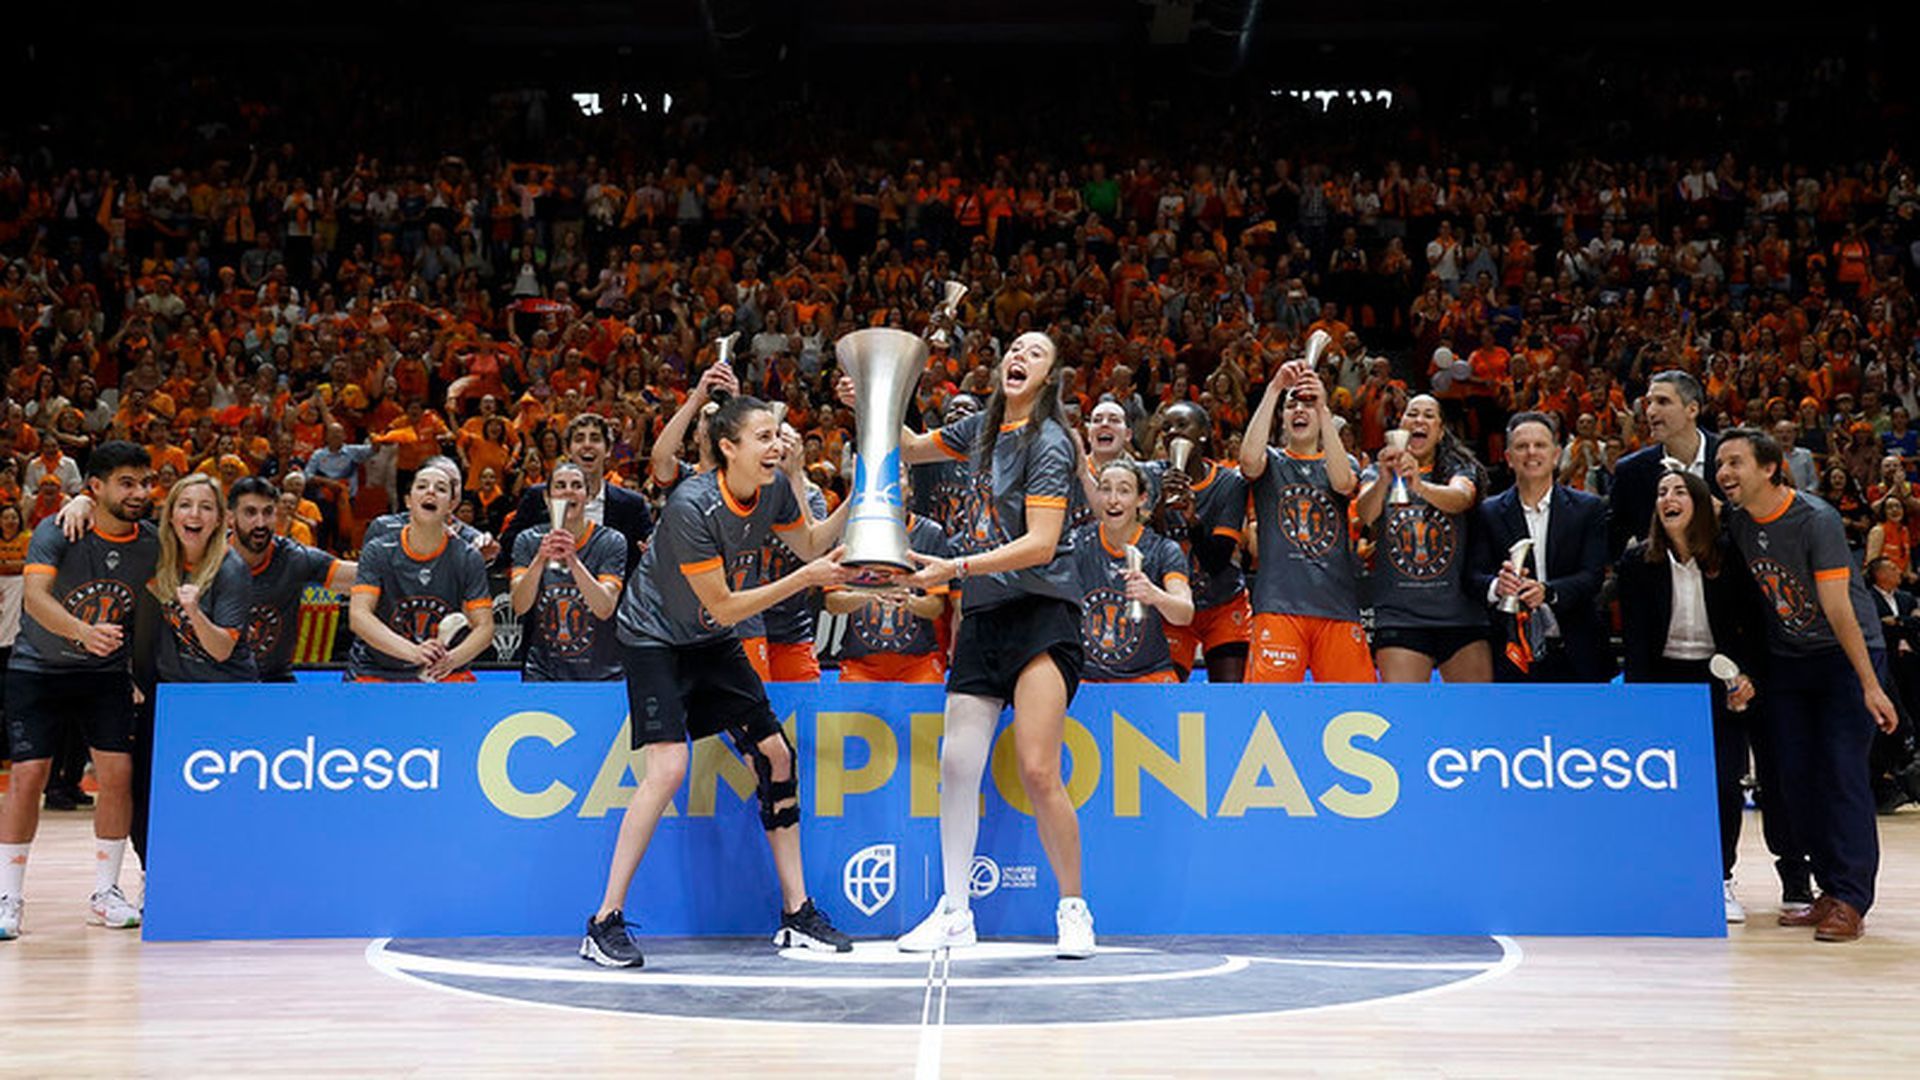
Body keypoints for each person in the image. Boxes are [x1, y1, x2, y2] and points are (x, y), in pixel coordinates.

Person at [585, 394, 855, 969]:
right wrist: (807, 578)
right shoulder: (691, 505)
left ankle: (796, 913)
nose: (777, 445)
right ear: (727, 448)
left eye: (779, 434)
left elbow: (809, 543)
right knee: (669, 769)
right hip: (654, 634)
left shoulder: (777, 487)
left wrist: (862, 497)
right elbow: (729, 605)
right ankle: (603, 921)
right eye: (763, 437)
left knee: (777, 756)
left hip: (707, 635)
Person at [887, 329, 1097, 958]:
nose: (1018, 357)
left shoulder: (1051, 442)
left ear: (1050, 376)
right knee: (956, 764)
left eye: (1034, 353)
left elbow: (1039, 542)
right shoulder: (980, 428)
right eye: (1013, 349)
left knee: (1037, 767)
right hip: (982, 611)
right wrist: (877, 395)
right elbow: (909, 446)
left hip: (1039, 610)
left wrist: (954, 569)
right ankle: (955, 911)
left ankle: (1074, 908)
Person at [1716, 427, 1899, 942]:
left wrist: (1871, 685)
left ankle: (1851, 899)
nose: (1725, 473)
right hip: (1788, 662)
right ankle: (1827, 889)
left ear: (1770, 467)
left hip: (1846, 657)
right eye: (1721, 464)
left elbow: (1839, 608)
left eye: (1736, 463)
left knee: (1842, 775)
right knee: (1795, 779)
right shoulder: (1738, 520)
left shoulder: (1815, 519)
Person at [1617, 467, 1796, 924]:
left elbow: (1754, 629)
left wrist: (1746, 678)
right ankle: (1663, 878)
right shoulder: (1637, 564)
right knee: (1663, 785)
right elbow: (1636, 642)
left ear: (1699, 504)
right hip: (1662, 680)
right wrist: (1640, 705)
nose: (1668, 498)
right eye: (1661, 492)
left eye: (1679, 491)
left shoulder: (1730, 558)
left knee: (1721, 782)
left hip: (1718, 678)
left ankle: (1720, 879)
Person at [0, 441, 159, 940]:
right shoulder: (59, 529)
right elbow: (35, 598)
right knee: (28, 775)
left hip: (104, 674)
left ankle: (106, 892)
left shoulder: (151, 542)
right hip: (38, 668)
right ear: (96, 487)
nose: (138, 492)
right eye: (126, 483)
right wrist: (83, 632)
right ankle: (9, 896)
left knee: (118, 772)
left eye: (144, 482)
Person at [130, 474, 258, 866]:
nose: (194, 514)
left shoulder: (230, 567)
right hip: (174, 694)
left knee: (222, 797)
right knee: (146, 790)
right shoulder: (158, 551)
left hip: (225, 694)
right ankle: (155, 874)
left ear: (221, 520)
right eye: (185, 505)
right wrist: (80, 503)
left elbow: (221, 649)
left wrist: (193, 612)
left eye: (206, 507)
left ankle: (225, 871)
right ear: (170, 515)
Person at [1240, 360, 1373, 682]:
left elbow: (1344, 483)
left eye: (1308, 405)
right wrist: (1274, 389)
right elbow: (1247, 462)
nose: (1300, 410)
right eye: (1292, 405)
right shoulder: (1270, 461)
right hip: (1278, 605)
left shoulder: (1344, 461)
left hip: (1337, 606)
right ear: (1282, 417)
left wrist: (1324, 407)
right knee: (1268, 709)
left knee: (1353, 707)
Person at [1469, 413, 1612, 682]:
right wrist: (1496, 587)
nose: (1531, 452)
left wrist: (1548, 592)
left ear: (1556, 454)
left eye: (1540, 445)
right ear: (1508, 458)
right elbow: (1473, 576)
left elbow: (1592, 576)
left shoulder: (1588, 509)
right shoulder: (1487, 512)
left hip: (1578, 652)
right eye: (1522, 446)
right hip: (1510, 654)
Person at [1357, 394, 1490, 683]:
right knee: (1404, 713)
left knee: (1474, 713)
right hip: (1400, 615)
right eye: (1412, 414)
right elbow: (1366, 514)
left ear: (1441, 431)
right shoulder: (1375, 470)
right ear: (1401, 425)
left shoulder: (1458, 468)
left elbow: (1462, 497)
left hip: (1460, 614)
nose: (1419, 420)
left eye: (1429, 415)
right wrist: (1384, 478)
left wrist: (1419, 484)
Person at [346, 465, 496, 683]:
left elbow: (485, 627)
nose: (431, 492)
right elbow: (359, 617)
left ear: (450, 506)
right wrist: (414, 652)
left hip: (444, 670)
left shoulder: (467, 557)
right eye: (422, 486)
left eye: (441, 488)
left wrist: (452, 659)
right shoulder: (378, 550)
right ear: (408, 501)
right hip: (379, 669)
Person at [1071, 459, 1192, 682]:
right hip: (1088, 677)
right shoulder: (1077, 542)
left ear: (1141, 499)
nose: (1113, 500)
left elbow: (1184, 613)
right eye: (1105, 489)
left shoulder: (1163, 550)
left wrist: (1155, 595)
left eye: (1124, 491)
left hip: (1149, 674)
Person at [1156, 400, 1250, 682]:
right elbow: (1142, 547)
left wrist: (1193, 521)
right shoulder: (1150, 476)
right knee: (1167, 694)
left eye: (1182, 425)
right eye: (1167, 427)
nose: (1173, 432)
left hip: (1222, 602)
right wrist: (1161, 505)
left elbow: (1217, 562)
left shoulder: (1229, 483)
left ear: (1204, 434)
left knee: (1230, 698)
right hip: (1173, 607)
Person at [509, 462, 626, 681]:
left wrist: (572, 560)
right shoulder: (527, 540)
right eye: (560, 485)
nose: (568, 491)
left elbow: (604, 608)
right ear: (547, 497)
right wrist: (540, 559)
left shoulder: (611, 541)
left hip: (601, 673)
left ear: (588, 496)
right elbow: (519, 605)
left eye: (576, 485)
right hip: (544, 672)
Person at [498, 413, 654, 577]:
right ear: (567, 450)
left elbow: (648, 554)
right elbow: (508, 550)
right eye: (579, 439)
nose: (587, 445)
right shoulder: (538, 497)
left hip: (613, 599)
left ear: (608, 449)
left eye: (595, 438)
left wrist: (652, 549)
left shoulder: (631, 504)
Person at [826, 511, 953, 684]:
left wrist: (909, 601)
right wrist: (869, 593)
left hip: (919, 661)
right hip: (861, 664)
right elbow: (833, 604)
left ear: (911, 489)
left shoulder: (930, 533)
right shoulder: (848, 531)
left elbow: (935, 608)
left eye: (899, 483)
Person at [1609, 370, 1720, 557]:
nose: (1651, 411)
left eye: (1663, 402)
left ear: (1692, 410)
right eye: (1649, 403)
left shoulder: (1731, 456)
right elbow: (1613, 539)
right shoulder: (1631, 471)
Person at [1864, 557, 1920, 812]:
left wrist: (1898, 623)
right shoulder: (1867, 599)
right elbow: (1875, 627)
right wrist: (1907, 623)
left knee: (1910, 716)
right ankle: (1884, 782)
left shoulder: (1907, 598)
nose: (1900, 572)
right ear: (1879, 574)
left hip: (1910, 666)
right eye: (1893, 569)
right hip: (1882, 666)